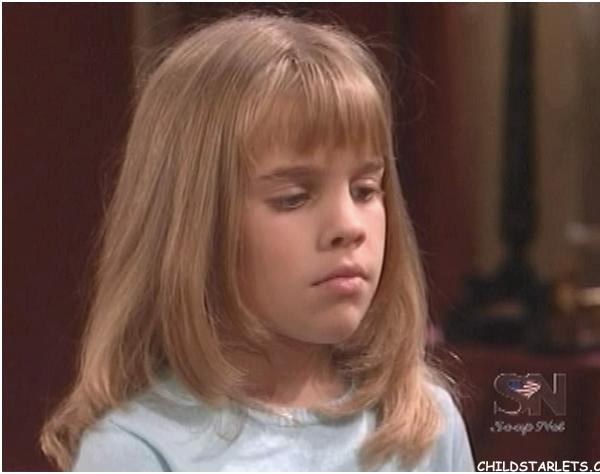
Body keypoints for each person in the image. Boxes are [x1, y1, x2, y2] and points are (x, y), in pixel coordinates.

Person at [40, 13, 475, 471]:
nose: (349, 226)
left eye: (365, 190)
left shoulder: (423, 425)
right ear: (197, 228)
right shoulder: (137, 451)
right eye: (294, 198)